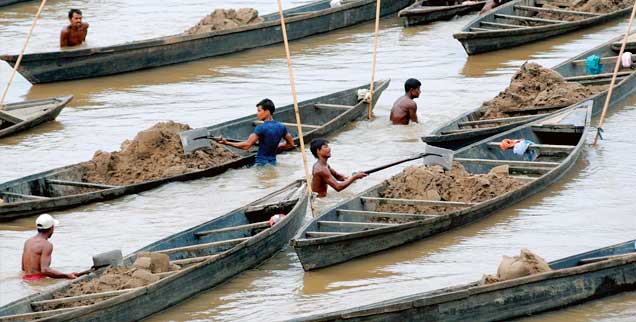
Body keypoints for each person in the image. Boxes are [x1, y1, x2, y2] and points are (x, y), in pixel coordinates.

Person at [219, 99, 295, 166]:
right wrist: (278, 145)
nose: (257, 113)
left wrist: (227, 143)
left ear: (267, 111)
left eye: (259, 111)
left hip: (261, 163)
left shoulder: (260, 128)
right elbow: (291, 144)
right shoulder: (281, 127)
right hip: (273, 162)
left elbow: (246, 146)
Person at [21, 214, 77, 281]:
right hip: (38, 281)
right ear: (51, 228)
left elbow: (23, 268)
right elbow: (45, 270)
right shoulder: (46, 245)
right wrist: (67, 276)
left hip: (25, 279)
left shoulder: (28, 242)